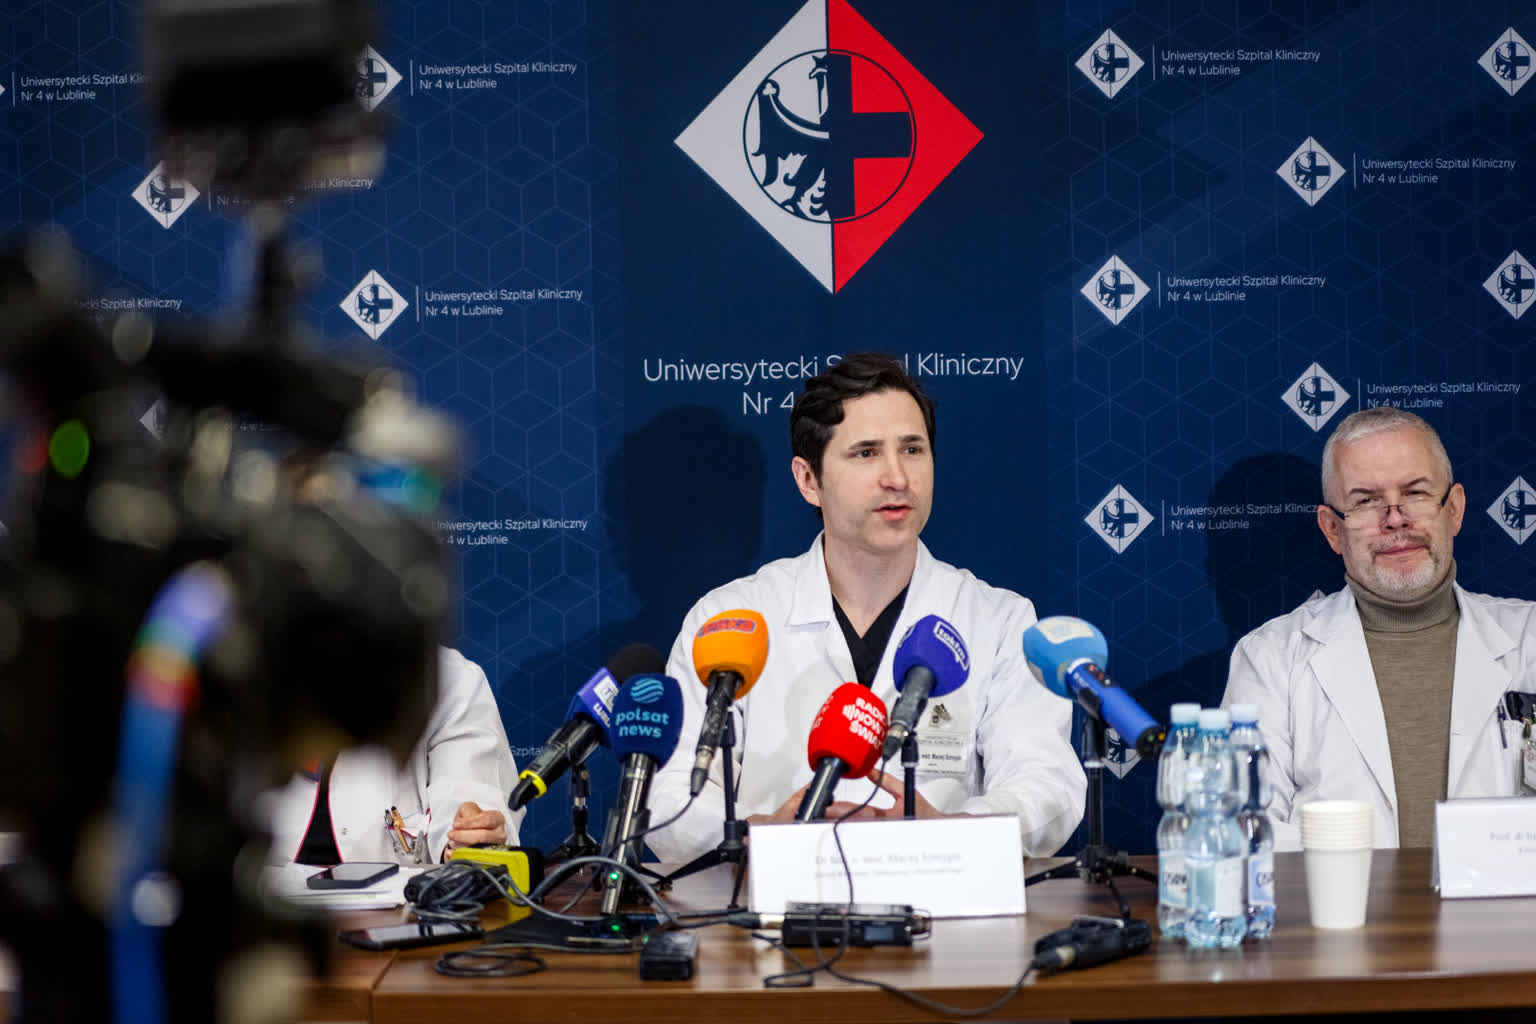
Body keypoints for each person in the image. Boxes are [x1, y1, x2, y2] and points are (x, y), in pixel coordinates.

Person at [647, 353, 1086, 863]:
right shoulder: (730, 619)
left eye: (912, 449)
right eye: (866, 453)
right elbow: (668, 797)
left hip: (943, 902)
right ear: (808, 480)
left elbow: (1048, 784)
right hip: (767, 905)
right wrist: (758, 834)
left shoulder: (998, 620)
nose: (897, 477)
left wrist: (953, 832)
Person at [1223, 407, 1536, 850]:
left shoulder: (1529, 639)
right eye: (1366, 501)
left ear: (1454, 510)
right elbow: (1244, 836)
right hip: (1336, 898)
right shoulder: (1270, 659)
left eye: (1416, 493)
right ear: (1333, 530)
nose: (1395, 519)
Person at [264, 449, 523, 865]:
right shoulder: (232, 666)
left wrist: (469, 834)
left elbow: (468, 802)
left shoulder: (450, 680)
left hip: (399, 906)